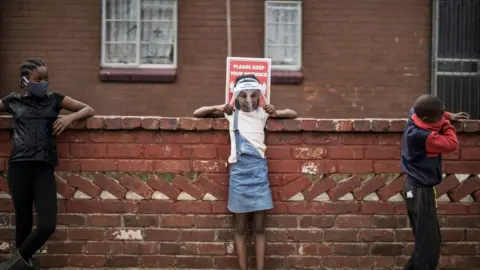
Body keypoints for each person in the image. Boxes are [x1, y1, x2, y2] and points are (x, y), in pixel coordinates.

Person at [194, 74, 297, 270]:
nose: (248, 100)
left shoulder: (262, 114)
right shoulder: (231, 113)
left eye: (253, 95)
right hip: (239, 175)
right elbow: (198, 113)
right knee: (240, 228)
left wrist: (274, 110)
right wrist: (219, 107)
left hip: (259, 174)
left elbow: (292, 113)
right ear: (236, 97)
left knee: (259, 227)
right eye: (243, 96)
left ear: (259, 96)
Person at [0, 58, 95, 270]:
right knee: (23, 222)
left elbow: (88, 109)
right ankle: (24, 264)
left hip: (43, 168)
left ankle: (11, 264)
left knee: (47, 225)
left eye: (46, 79)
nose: (43, 83)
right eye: (38, 79)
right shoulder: (13, 101)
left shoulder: (55, 99)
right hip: (19, 167)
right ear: (25, 81)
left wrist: (68, 119)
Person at [401, 94, 469, 270]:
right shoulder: (421, 136)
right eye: (438, 118)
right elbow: (452, 143)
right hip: (419, 192)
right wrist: (445, 123)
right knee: (429, 247)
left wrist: (448, 115)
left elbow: (419, 108)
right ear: (426, 119)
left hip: (416, 189)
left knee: (426, 242)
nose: (442, 120)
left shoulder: (414, 116)